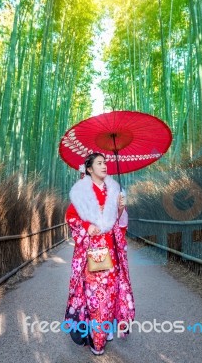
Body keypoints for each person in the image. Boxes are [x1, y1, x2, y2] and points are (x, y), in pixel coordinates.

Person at [64, 152, 135, 355]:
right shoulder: (81, 193)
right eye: (99, 163)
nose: (104, 166)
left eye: (105, 163)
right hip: (92, 252)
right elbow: (71, 217)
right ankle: (98, 340)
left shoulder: (113, 190)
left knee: (111, 293)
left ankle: (107, 328)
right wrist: (86, 226)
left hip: (111, 251)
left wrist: (120, 210)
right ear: (89, 169)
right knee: (95, 296)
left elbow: (118, 225)